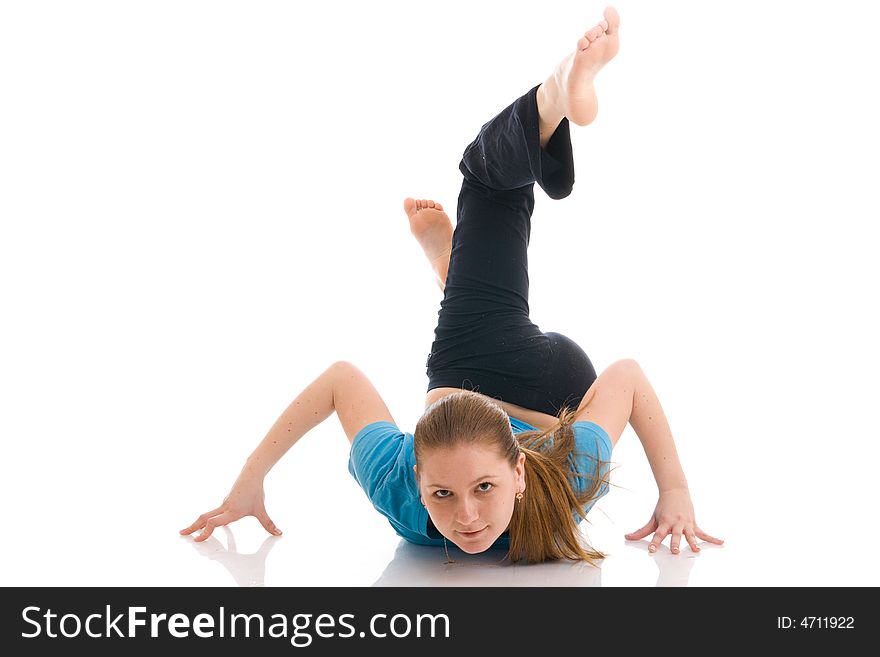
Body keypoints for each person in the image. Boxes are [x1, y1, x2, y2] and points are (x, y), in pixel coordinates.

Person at [181, 7, 723, 564]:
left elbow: (341, 381)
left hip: (480, 358)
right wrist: (676, 491)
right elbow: (626, 377)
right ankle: (464, 248)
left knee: (488, 182)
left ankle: (552, 104)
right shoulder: (566, 480)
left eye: (480, 489)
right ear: (426, 481)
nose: (466, 517)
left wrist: (247, 482)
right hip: (555, 396)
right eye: (444, 493)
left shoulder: (394, 486)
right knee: (484, 189)